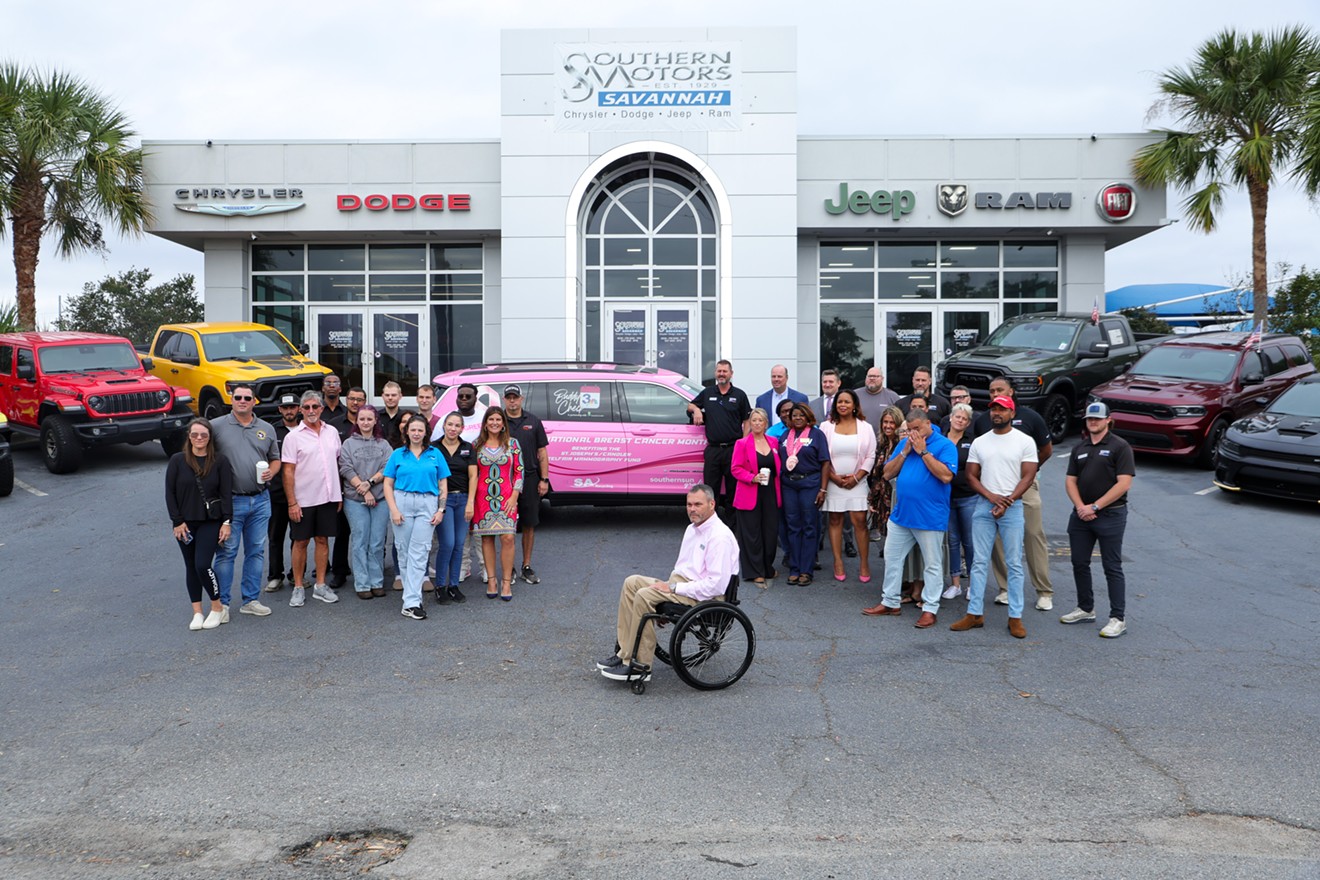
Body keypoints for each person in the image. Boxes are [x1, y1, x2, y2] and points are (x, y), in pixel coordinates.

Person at [596, 484, 739, 683]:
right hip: (683, 587)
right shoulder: (692, 529)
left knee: (645, 595)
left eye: (698, 504)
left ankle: (639, 665)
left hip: (705, 597)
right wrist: (667, 589)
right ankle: (624, 653)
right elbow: (681, 569)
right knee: (632, 582)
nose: (692, 509)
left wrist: (672, 589)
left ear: (712, 504)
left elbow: (714, 586)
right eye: (689, 504)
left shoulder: (720, 537)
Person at [950, 396, 1038, 639]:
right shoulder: (980, 442)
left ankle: (1015, 617)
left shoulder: (1025, 441)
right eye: (994, 409)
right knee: (978, 561)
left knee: (1014, 564)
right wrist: (991, 497)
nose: (996, 413)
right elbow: (971, 476)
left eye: (1002, 409)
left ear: (1012, 412)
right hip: (983, 506)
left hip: (1013, 507)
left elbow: (1028, 476)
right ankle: (974, 613)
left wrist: (1007, 501)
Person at [862, 408, 957, 627]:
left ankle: (930, 608)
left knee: (932, 565)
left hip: (929, 517)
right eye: (909, 429)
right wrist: (905, 451)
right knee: (892, 558)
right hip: (902, 514)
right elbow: (887, 473)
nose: (912, 433)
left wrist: (923, 452)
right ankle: (890, 601)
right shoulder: (904, 443)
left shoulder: (944, 445)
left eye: (916, 429)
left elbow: (945, 476)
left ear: (927, 424)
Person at [973, 377, 1055, 611]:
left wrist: (1030, 472)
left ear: (1011, 391)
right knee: (997, 541)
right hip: (993, 491)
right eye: (991, 391)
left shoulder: (1030, 417)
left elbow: (1046, 449)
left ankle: (1044, 591)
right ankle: (1005, 588)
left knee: (1033, 534)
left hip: (1024, 488)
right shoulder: (983, 421)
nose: (994, 393)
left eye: (999, 389)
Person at [1061, 402, 1136, 638]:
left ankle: (1118, 618)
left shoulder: (1120, 446)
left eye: (1097, 419)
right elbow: (1071, 480)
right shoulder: (1080, 447)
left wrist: (1095, 506)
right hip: (1081, 515)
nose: (1093, 422)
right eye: (1089, 419)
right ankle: (1085, 608)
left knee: (1112, 566)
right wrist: (1081, 507)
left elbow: (1124, 482)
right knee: (1079, 562)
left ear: (1107, 420)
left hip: (1110, 514)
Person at [210, 383, 280, 620]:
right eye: (237, 397)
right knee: (227, 553)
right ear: (231, 399)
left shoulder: (267, 429)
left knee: (256, 551)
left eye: (247, 397)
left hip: (260, 500)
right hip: (231, 502)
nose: (242, 400)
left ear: (254, 401)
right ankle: (222, 605)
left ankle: (250, 600)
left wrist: (272, 470)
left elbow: (275, 459)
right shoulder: (216, 426)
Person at [165, 418, 232, 631]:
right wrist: (177, 521)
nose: (199, 438)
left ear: (210, 437)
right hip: (185, 524)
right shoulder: (177, 460)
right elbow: (170, 493)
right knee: (191, 567)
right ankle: (197, 612)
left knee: (202, 564)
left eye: (203, 434)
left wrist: (227, 522)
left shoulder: (220, 461)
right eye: (195, 434)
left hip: (211, 522)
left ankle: (216, 606)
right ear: (189, 436)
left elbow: (226, 494)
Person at [280, 390, 343, 608]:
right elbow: (287, 472)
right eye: (306, 407)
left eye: (314, 407)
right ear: (300, 410)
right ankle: (298, 587)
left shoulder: (332, 432)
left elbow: (337, 464)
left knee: (323, 541)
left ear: (321, 408)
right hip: (303, 500)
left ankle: (320, 585)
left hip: (327, 498)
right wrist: (292, 502)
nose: (310, 411)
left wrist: (338, 494)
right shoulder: (293, 437)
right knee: (300, 542)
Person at [383, 415, 449, 620]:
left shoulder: (435, 454)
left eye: (421, 430)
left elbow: (443, 485)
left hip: (427, 504)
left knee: (420, 552)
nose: (417, 433)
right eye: (413, 429)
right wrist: (394, 510)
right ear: (407, 432)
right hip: (402, 501)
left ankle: (412, 601)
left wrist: (440, 510)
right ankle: (411, 599)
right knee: (403, 551)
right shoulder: (397, 455)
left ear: (426, 433)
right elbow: (387, 484)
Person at [467, 406, 524, 601]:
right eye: (491, 419)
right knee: (487, 538)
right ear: (485, 423)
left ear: (503, 423)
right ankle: (491, 580)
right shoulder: (476, 445)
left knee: (508, 538)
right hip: (483, 500)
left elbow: (519, 471)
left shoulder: (512, 444)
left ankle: (506, 581)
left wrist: (515, 495)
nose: (494, 423)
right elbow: (472, 475)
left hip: (507, 498)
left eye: (498, 420)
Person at [819, 389, 876, 582]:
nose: (843, 405)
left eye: (847, 402)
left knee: (859, 521)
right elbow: (822, 455)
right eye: (839, 402)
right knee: (834, 521)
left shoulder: (865, 427)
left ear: (854, 405)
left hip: (857, 482)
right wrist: (833, 477)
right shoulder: (826, 426)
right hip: (834, 481)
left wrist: (857, 477)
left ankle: (864, 563)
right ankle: (838, 562)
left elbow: (871, 455)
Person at [686, 359, 751, 523]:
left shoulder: (739, 395)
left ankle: (733, 525)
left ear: (731, 374)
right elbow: (690, 405)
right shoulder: (708, 392)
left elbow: (747, 420)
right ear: (715, 373)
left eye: (725, 371)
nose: (721, 374)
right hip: (713, 450)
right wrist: (697, 411)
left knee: (733, 489)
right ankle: (709, 523)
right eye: (719, 371)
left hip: (733, 450)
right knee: (710, 490)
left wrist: (743, 442)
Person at [339, 405, 393, 600]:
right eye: (362, 419)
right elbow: (345, 468)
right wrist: (362, 489)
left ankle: (376, 581)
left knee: (377, 541)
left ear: (375, 421)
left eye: (369, 419)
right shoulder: (348, 444)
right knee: (360, 540)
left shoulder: (384, 445)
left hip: (380, 498)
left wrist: (369, 484)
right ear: (356, 421)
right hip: (354, 499)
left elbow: (388, 467)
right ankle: (362, 583)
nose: (365, 422)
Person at [502, 384, 550, 585]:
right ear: (504, 400)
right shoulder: (497, 420)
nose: (512, 401)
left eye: (515, 397)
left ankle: (526, 566)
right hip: (504, 479)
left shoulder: (533, 421)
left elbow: (542, 453)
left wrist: (544, 479)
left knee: (529, 523)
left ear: (521, 399)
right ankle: (509, 567)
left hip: (530, 478)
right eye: (509, 398)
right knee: (506, 525)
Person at [778, 403, 830, 585]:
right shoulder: (785, 436)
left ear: (808, 417)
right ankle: (794, 567)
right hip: (789, 485)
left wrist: (823, 489)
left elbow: (825, 463)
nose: (798, 418)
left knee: (809, 526)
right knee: (793, 526)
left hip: (810, 484)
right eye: (794, 415)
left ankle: (806, 570)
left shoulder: (817, 435)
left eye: (801, 415)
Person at [730, 408, 781, 585]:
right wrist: (752, 477)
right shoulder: (742, 443)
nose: (757, 423)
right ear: (749, 424)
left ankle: (767, 567)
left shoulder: (774, 442)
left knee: (770, 532)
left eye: (761, 421)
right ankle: (754, 571)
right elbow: (735, 468)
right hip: (749, 493)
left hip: (770, 493)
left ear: (766, 424)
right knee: (751, 534)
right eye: (754, 420)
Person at [432, 411, 477, 605]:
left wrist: (470, 503)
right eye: (449, 424)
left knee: (459, 544)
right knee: (448, 543)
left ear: (462, 428)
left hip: (463, 499)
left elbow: (473, 476)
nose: (453, 428)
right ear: (444, 426)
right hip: (444, 501)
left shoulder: (468, 448)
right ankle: (440, 586)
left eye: (457, 425)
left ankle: (453, 586)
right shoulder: (434, 448)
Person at [447, 382, 489, 586]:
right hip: (455, 485)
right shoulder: (448, 419)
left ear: (476, 397)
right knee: (461, 531)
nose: (464, 400)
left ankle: (485, 567)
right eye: (460, 396)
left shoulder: (483, 418)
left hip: (480, 484)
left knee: (480, 529)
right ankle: (463, 567)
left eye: (468, 396)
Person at [941, 402, 978, 600]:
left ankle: (973, 584)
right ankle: (955, 584)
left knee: (970, 542)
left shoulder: (973, 442)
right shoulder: (941, 438)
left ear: (968, 422)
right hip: (946, 498)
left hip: (967, 497)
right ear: (951, 417)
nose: (960, 420)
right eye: (957, 416)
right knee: (952, 541)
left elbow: (975, 468)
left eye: (964, 419)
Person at [266, 392, 302, 592]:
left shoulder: (306, 430)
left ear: (298, 409)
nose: (289, 411)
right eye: (285, 408)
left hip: (302, 493)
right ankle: (275, 575)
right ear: (280, 409)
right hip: (277, 494)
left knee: (299, 537)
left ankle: (296, 575)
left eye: (293, 407)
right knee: (275, 536)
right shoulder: (271, 431)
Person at [866, 404, 906, 548]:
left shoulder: (902, 444)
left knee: (897, 541)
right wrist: (873, 499)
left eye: (891, 422)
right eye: (885, 422)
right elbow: (876, 476)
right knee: (887, 539)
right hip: (882, 498)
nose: (888, 426)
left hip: (897, 498)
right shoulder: (882, 444)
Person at [379, 381, 405, 448]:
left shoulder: (404, 417)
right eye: (387, 395)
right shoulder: (375, 417)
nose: (390, 398)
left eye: (393, 395)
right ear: (382, 396)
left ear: (400, 396)